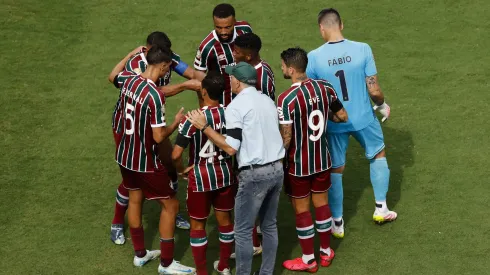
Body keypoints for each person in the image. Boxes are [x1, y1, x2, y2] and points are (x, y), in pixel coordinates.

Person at [187, 62, 284, 275]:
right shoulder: (267, 100)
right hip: (277, 169)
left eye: (231, 77)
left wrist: (204, 127)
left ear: (238, 82)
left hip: (254, 173)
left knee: (241, 231)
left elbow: (231, 147)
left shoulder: (236, 106)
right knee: (269, 227)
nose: (229, 80)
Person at [306, 8, 396, 239]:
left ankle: (337, 222)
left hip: (335, 121)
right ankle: (381, 209)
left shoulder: (314, 57)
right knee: (378, 154)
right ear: (341, 24)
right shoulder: (362, 49)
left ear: (321, 28)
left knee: (336, 169)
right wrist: (381, 105)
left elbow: (312, 94)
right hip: (364, 118)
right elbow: (374, 89)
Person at [108, 32, 199, 245]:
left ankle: (167, 216)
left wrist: (217, 83)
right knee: (133, 183)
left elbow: (191, 73)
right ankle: (117, 223)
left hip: (148, 123)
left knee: (168, 163)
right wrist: (178, 117)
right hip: (129, 128)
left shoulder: (160, 61)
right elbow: (153, 93)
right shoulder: (137, 67)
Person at [278, 48, 348, 272]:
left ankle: (308, 259)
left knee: (302, 211)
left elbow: (286, 138)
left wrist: (279, 162)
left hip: (299, 165)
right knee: (321, 205)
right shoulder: (325, 87)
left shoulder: (286, 99)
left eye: (282, 66)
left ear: (290, 69)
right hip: (322, 160)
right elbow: (342, 116)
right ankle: (326, 252)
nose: (281, 69)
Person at [172, 72, 236, 275]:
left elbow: (175, 154)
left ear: (204, 92)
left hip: (200, 178)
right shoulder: (232, 113)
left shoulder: (192, 119)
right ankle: (224, 266)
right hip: (225, 174)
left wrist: (181, 169)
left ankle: (202, 272)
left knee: (198, 226)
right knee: (225, 221)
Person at [194, 3, 252, 106]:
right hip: (224, 106)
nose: (223, 32)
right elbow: (199, 82)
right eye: (219, 27)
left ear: (234, 22)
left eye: (227, 27)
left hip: (248, 99)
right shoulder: (207, 47)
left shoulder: (245, 30)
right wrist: (205, 111)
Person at [233, 32, 275, 100]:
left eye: (237, 52)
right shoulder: (242, 66)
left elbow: (266, 105)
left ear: (248, 56)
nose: (233, 54)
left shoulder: (262, 78)